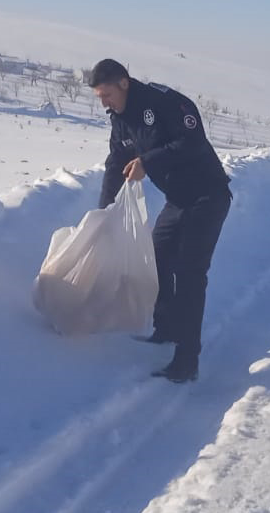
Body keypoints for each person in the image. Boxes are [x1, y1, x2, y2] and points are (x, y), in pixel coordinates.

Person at [91, 59, 231, 384]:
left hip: (208, 197)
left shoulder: (165, 103)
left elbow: (191, 142)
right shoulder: (121, 119)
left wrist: (148, 160)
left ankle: (187, 361)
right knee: (156, 261)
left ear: (124, 83)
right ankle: (165, 328)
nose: (104, 103)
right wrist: (103, 213)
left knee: (190, 274)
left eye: (107, 94)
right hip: (178, 200)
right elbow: (116, 163)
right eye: (100, 97)